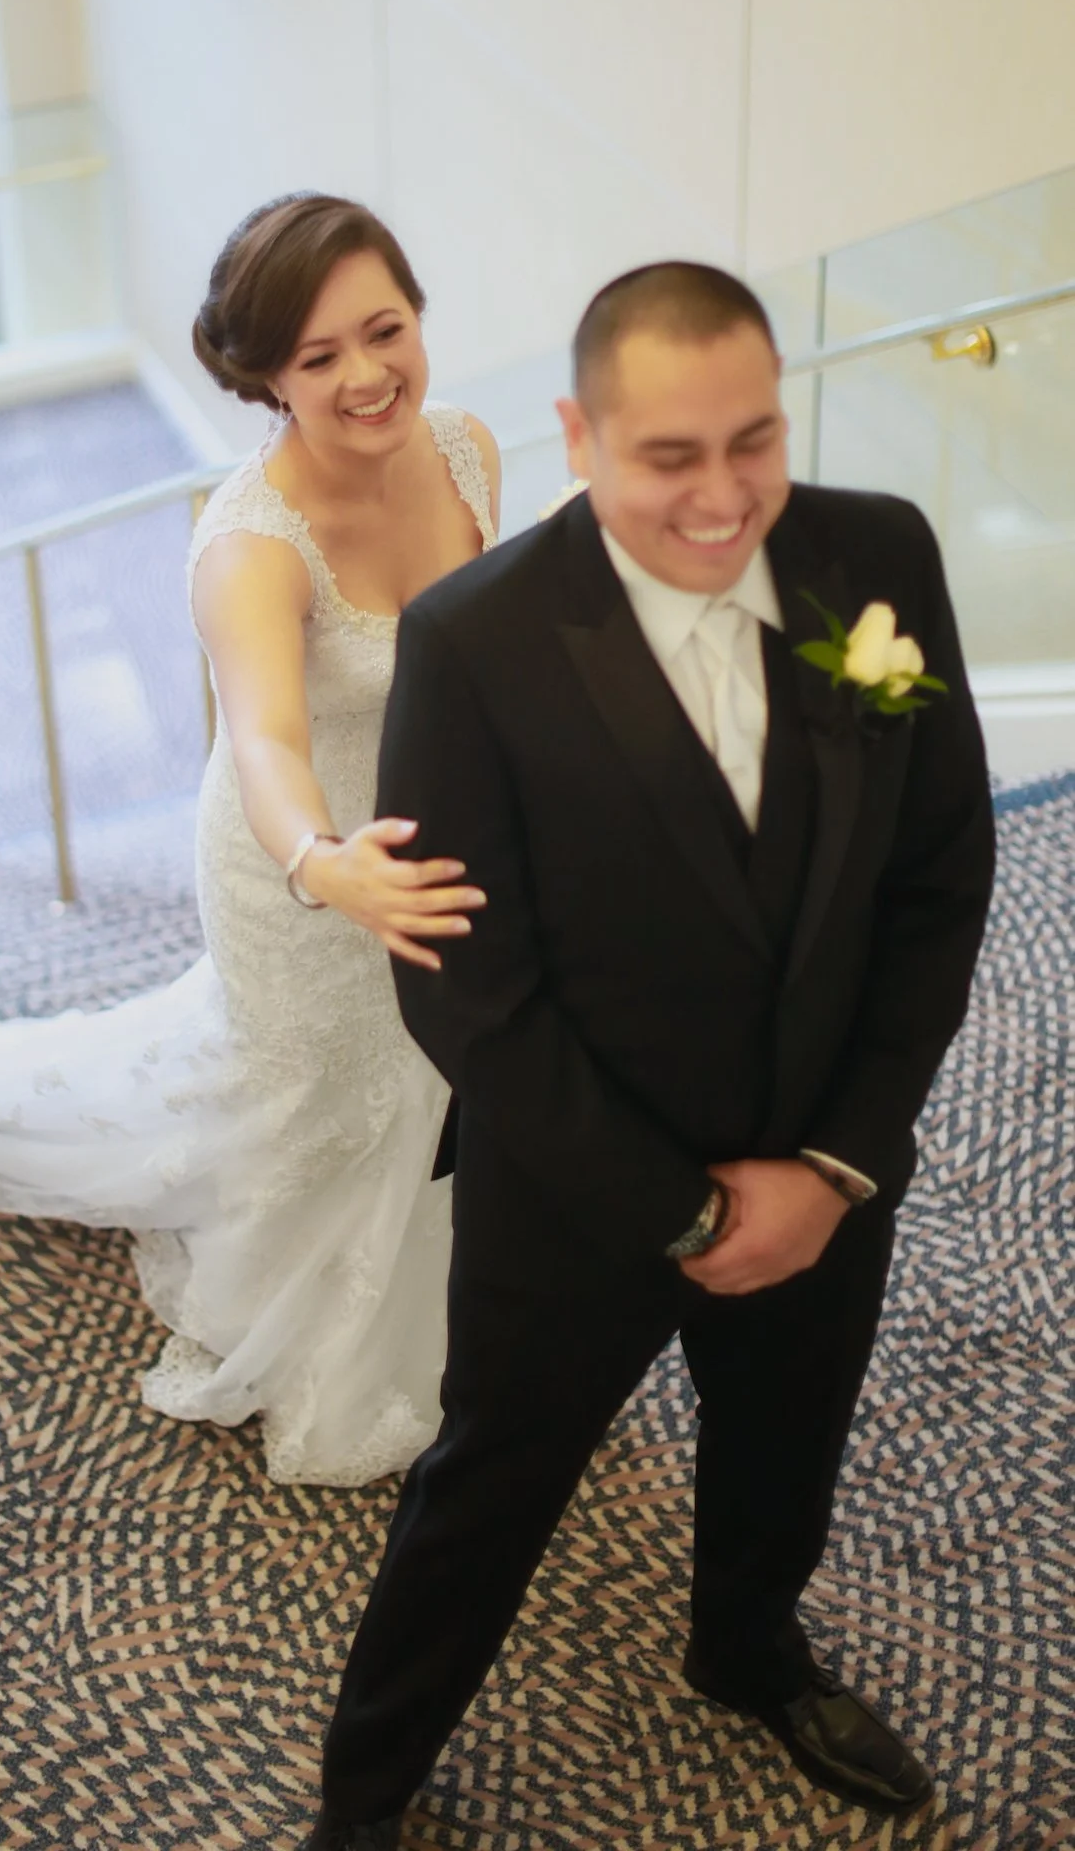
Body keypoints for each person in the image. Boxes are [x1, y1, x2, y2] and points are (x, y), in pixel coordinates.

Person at [303, 261, 995, 1845]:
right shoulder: (472, 642)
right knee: (490, 1488)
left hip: (825, 1161)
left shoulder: (878, 551)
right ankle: (369, 1787)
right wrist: (682, 1214)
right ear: (578, 436)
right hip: (580, 1191)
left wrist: (831, 1168)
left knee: (787, 1437)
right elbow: (466, 995)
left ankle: (750, 1650)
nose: (723, 495)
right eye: (671, 456)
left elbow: (940, 876)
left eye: (753, 441)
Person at [0, 193, 500, 1487]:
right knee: (316, 1095)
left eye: (385, 329)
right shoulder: (250, 545)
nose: (366, 375)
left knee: (436, 1078)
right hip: (293, 866)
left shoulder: (465, 449)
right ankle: (327, 1323)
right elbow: (266, 746)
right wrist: (321, 865)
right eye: (317, 358)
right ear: (266, 380)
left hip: (430, 832)